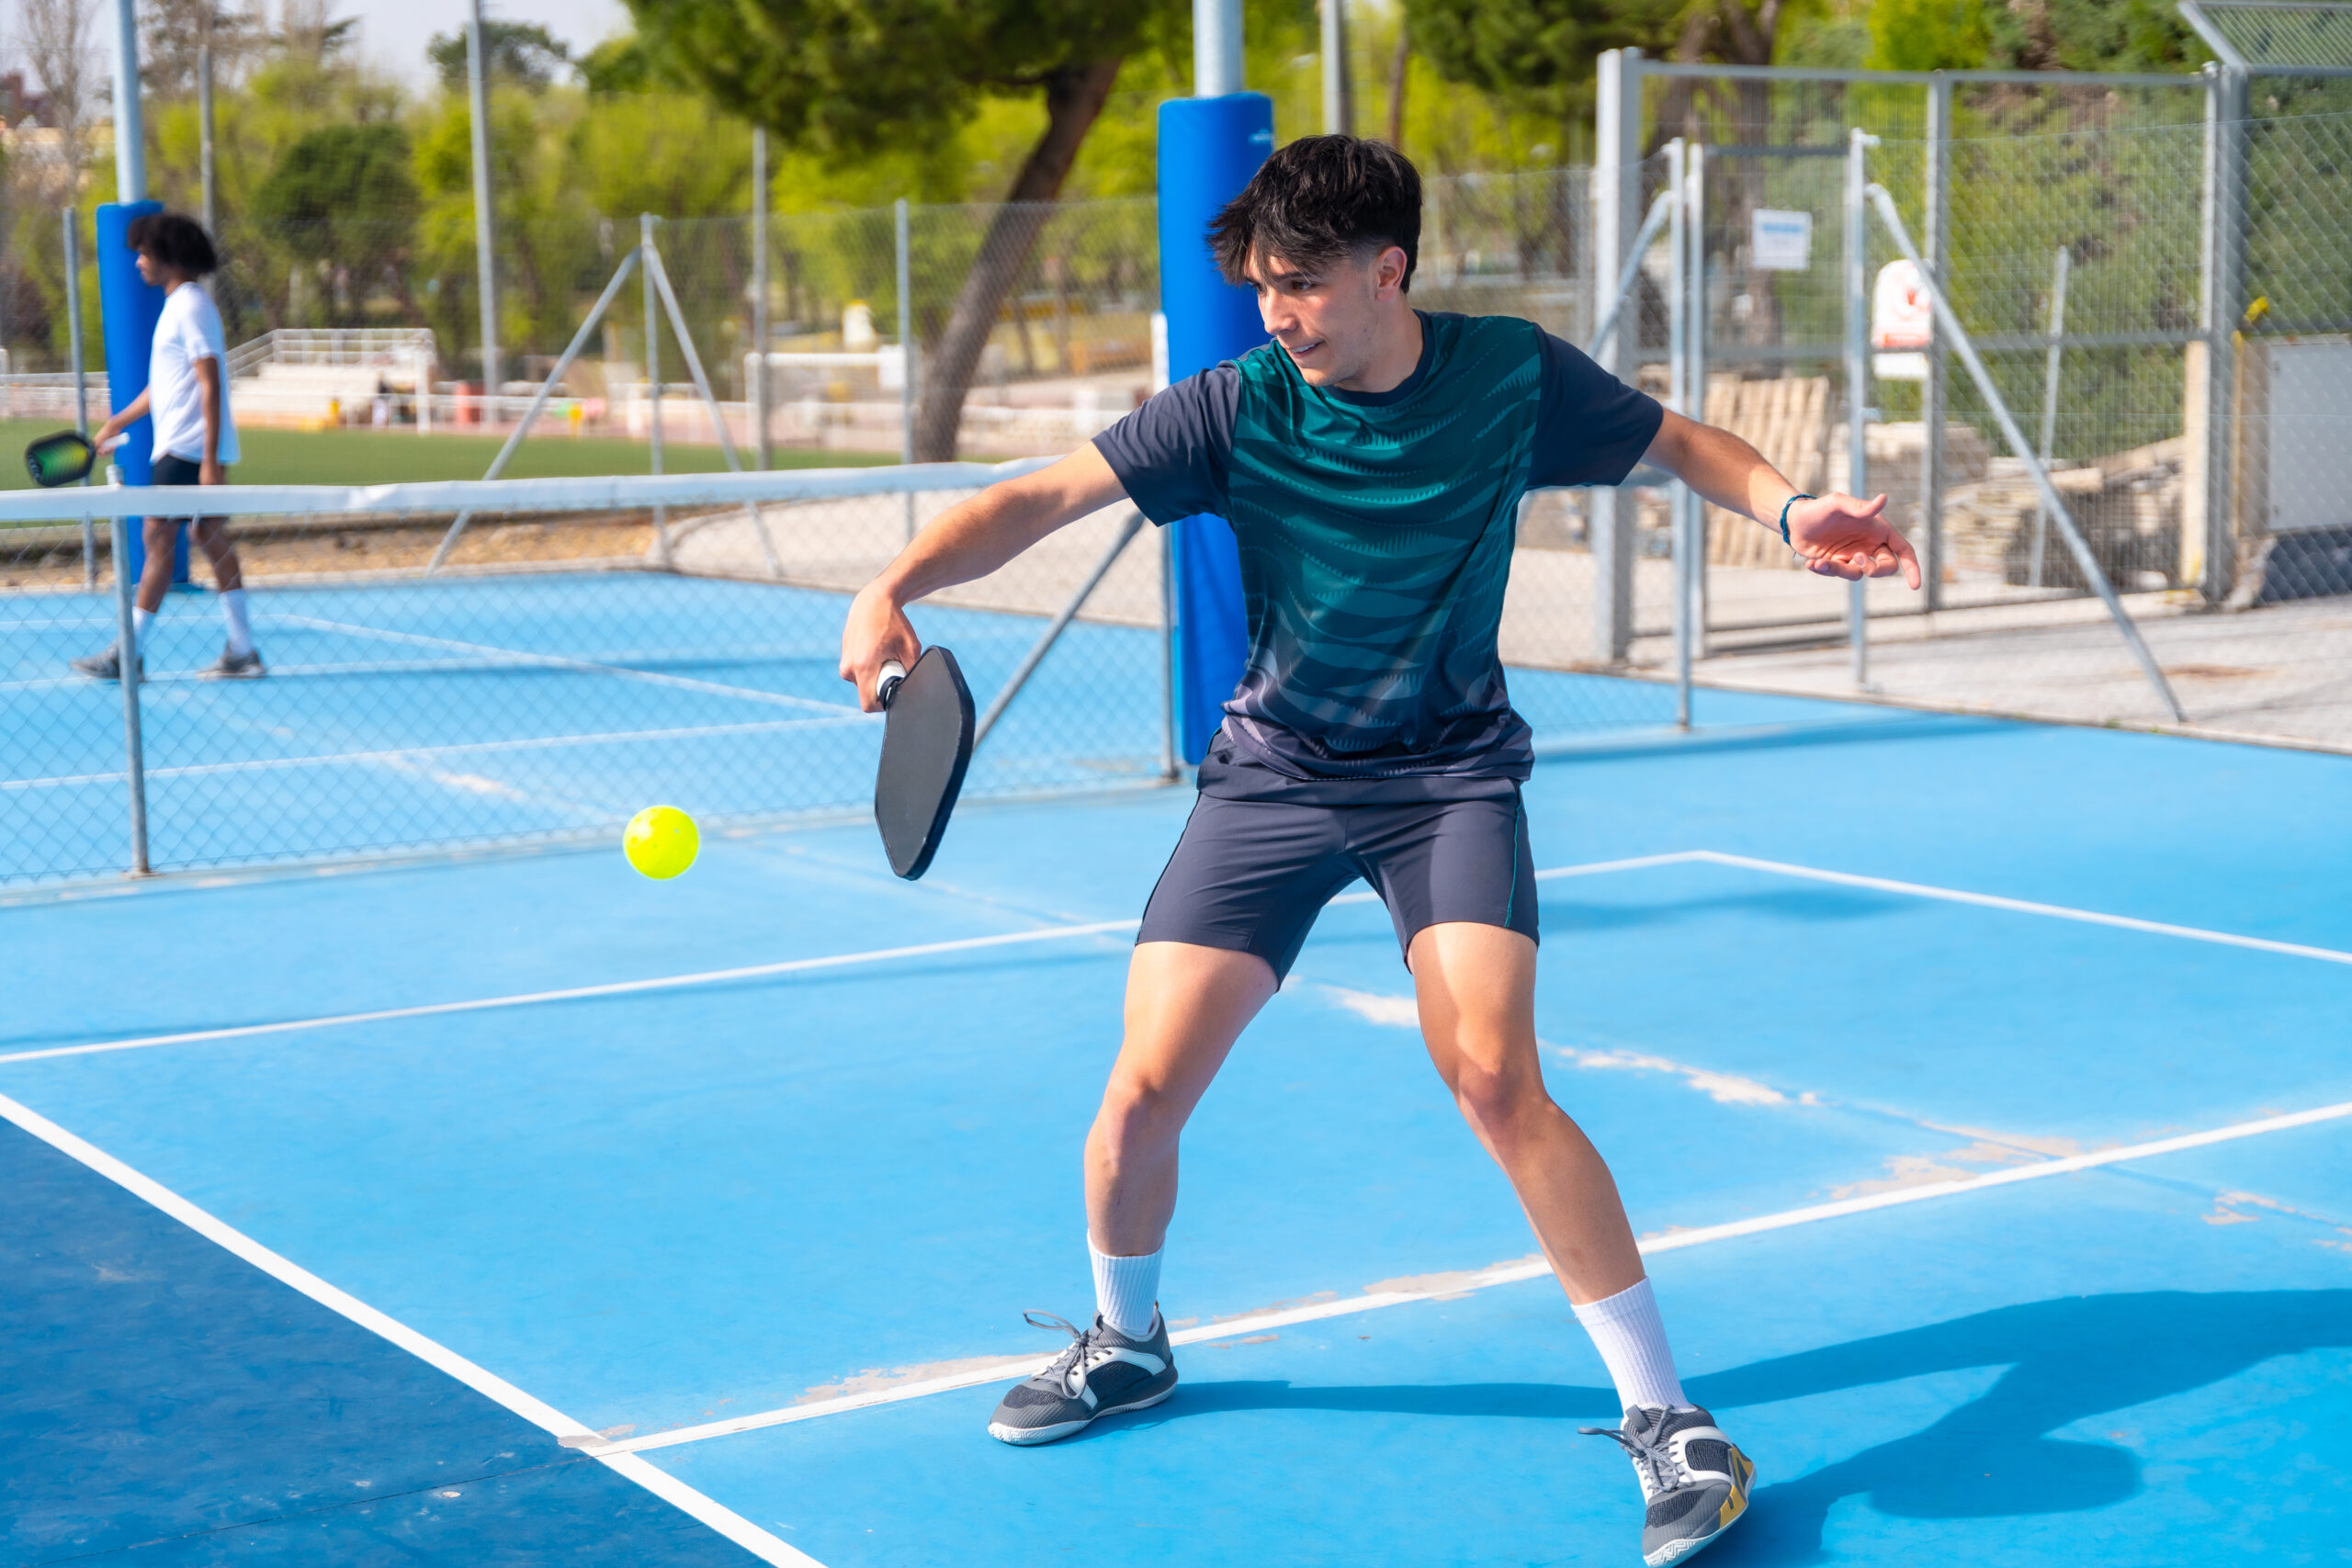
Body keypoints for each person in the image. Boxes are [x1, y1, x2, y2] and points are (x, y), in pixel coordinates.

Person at [838, 137, 1918, 1567]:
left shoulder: (1511, 378)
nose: (1275, 312)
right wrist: (890, 580)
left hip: (1449, 779)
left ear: (1387, 268)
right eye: (1262, 287)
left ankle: (1671, 1419)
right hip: (1274, 779)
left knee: (1491, 1074)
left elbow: (1676, 440)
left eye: (1300, 285)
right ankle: (1129, 1337)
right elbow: (1041, 496)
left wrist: (1789, 508)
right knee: (1142, 1090)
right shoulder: (1233, 408)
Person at [71, 210, 260, 682]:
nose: (137, 262)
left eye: (144, 252)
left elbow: (209, 381)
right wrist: (116, 420)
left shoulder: (191, 306)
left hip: (188, 451)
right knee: (207, 537)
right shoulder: (178, 306)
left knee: (158, 542)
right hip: (187, 450)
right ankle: (243, 649)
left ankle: (126, 654)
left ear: (169, 258)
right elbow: (165, 386)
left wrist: (210, 462)